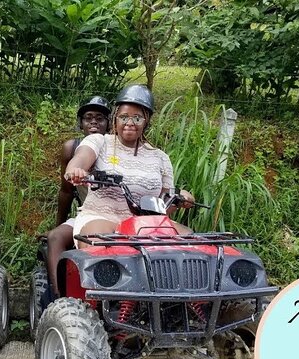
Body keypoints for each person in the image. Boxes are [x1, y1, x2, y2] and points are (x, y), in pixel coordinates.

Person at [64, 84, 193, 248]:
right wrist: (76, 170)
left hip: (146, 224)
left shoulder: (160, 157)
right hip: (101, 216)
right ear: (115, 118)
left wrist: (180, 198)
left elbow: (164, 206)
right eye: (124, 117)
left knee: (190, 242)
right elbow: (81, 157)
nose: (130, 123)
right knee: (101, 245)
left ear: (146, 121)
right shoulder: (99, 141)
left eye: (137, 118)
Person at [47, 96, 110, 297]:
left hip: (121, 215)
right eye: (88, 118)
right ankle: (60, 297)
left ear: (109, 123)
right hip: (88, 213)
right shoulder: (72, 148)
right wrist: (59, 223)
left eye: (99, 118)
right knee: (56, 237)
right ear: (80, 123)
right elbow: (66, 191)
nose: (93, 123)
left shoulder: (117, 147)